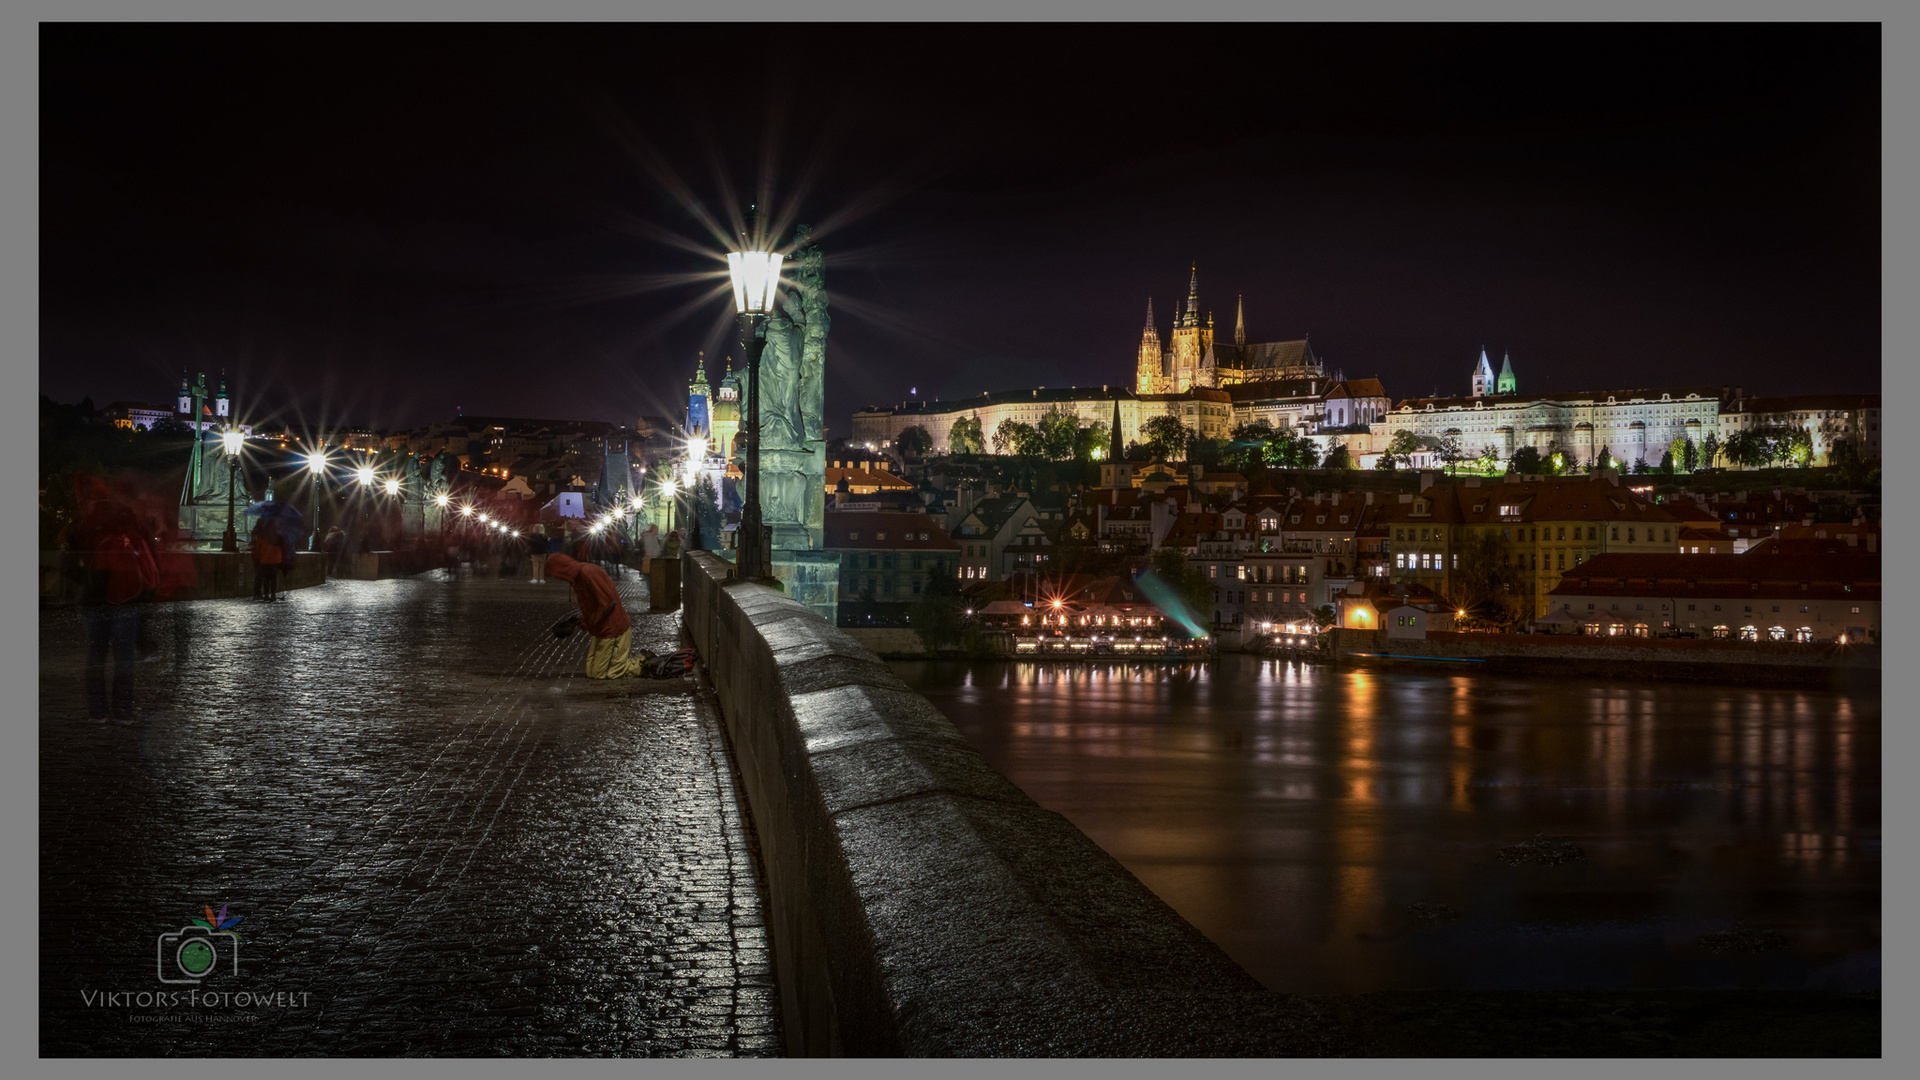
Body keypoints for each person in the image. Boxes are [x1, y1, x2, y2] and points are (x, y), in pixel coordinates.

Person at [69, 499, 157, 723]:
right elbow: (150, 564)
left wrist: (88, 585)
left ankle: (98, 712)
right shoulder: (132, 527)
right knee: (124, 656)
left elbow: (70, 565)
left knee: (96, 655)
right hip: (126, 600)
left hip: (92, 600)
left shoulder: (84, 527)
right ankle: (123, 711)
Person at [543, 553, 652, 679]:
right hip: (601, 629)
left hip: (612, 629)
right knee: (592, 672)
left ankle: (642, 662)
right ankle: (623, 664)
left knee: (604, 673)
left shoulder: (588, 573)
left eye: (555, 574)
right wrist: (580, 621)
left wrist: (591, 622)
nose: (557, 578)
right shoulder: (578, 576)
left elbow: (607, 604)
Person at [250, 517, 284, 601]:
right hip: (275, 560)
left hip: (265, 559)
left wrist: (257, 557)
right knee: (273, 578)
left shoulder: (263, 535)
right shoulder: (278, 535)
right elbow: (283, 547)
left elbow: (258, 547)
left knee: (266, 578)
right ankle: (273, 594)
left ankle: (266, 594)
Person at [650, 529, 683, 612]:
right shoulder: (679, 543)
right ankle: (673, 600)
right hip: (675, 561)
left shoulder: (667, 542)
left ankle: (665, 597)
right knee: (674, 581)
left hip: (667, 560)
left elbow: (664, 550)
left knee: (666, 579)